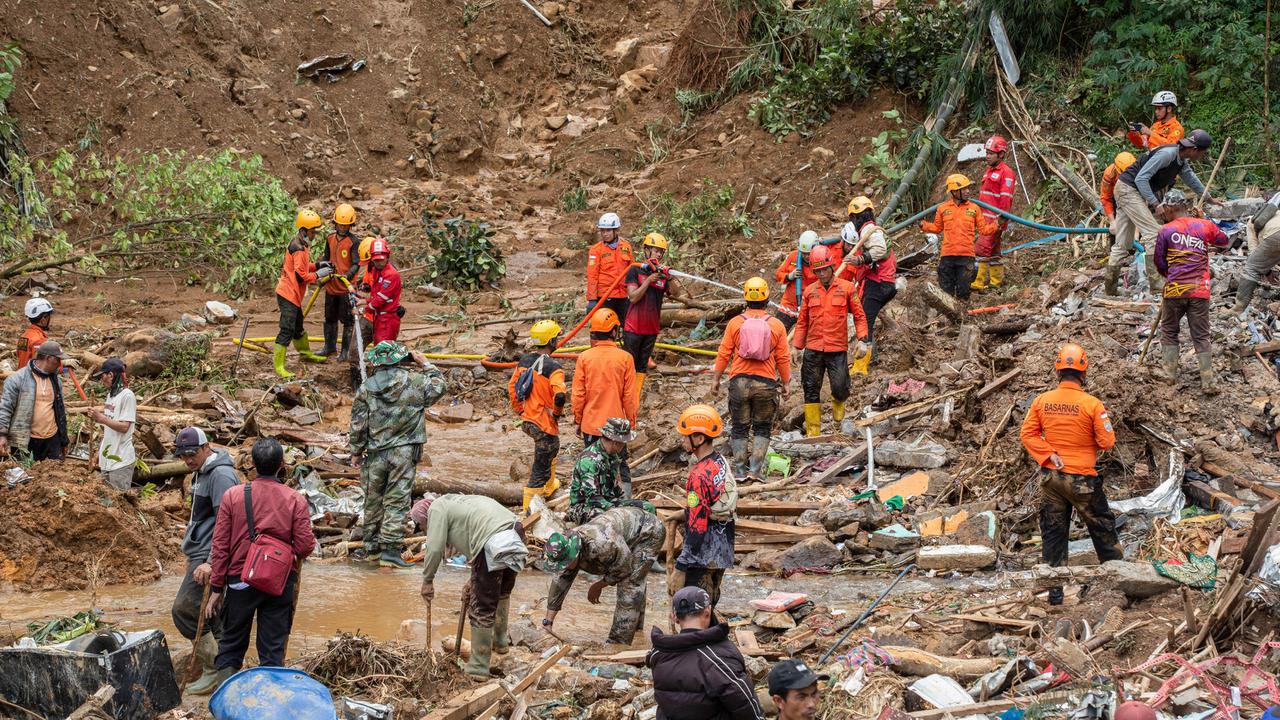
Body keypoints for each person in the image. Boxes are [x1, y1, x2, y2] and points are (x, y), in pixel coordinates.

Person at [206, 438, 316, 690]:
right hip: (278, 582)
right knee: (273, 648)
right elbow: (304, 546)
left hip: (239, 581)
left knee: (231, 643)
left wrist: (215, 589)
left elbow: (220, 545)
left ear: (253, 464)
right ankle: (270, 702)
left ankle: (226, 701)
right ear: (282, 465)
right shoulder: (295, 500)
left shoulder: (233, 496)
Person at [1019, 343, 1121, 606]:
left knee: (1053, 532)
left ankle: (1055, 595)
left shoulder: (1042, 401)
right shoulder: (1092, 404)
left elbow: (1027, 434)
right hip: (1082, 479)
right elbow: (1107, 441)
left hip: (1052, 477)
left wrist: (1047, 453)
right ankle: (1118, 582)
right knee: (1101, 527)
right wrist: (1086, 445)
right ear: (1083, 372)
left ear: (1058, 371)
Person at [350, 340, 446, 567]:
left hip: (375, 452)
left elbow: (358, 423)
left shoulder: (367, 387)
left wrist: (356, 451)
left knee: (373, 499)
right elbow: (440, 386)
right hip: (403, 452)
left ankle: (371, 548)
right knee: (396, 500)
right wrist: (426, 364)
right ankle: (390, 552)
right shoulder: (415, 382)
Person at [418, 493, 528, 678]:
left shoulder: (436, 509)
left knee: (482, 606)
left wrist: (427, 581)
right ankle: (500, 643)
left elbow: (434, 548)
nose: (422, 529)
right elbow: (478, 553)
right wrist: (473, 580)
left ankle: (478, 666)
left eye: (420, 526)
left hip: (494, 541)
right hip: (516, 532)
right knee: (500, 593)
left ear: (424, 518)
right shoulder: (456, 502)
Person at [1106, 128, 1218, 296]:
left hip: (1128, 189)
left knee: (1123, 244)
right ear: (1194, 150)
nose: (1201, 157)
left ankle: (1110, 290)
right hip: (1128, 190)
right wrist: (1155, 203)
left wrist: (1209, 198)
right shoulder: (1167, 155)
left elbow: (1191, 178)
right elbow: (1141, 178)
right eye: (1202, 153)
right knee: (1153, 234)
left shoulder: (1181, 160)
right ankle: (1157, 287)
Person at [171, 426, 240, 696]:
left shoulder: (221, 475)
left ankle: (212, 668)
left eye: (191, 454)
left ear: (205, 447)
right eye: (183, 455)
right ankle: (225, 675)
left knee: (184, 609)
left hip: (209, 554)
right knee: (213, 615)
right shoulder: (201, 472)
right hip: (200, 551)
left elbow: (229, 522)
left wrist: (212, 561)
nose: (187, 460)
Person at [543, 505, 665, 645]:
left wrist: (600, 585)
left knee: (630, 583)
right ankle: (637, 630)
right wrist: (548, 622)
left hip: (649, 531)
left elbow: (625, 568)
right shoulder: (566, 544)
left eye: (566, 563)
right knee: (633, 581)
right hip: (624, 529)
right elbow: (559, 583)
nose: (564, 567)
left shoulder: (603, 544)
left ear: (575, 552)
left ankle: (618, 644)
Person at [710, 277, 790, 478]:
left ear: (746, 298)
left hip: (739, 382)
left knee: (739, 427)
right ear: (767, 299)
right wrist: (786, 383)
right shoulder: (777, 325)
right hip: (765, 382)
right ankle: (754, 471)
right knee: (762, 427)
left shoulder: (735, 323)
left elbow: (724, 353)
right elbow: (783, 357)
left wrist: (716, 379)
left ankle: (739, 471)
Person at [646, 586, 764, 720]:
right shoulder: (718, 657)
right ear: (708, 612)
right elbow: (746, 706)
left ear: (674, 617)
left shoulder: (658, 653)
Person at [1152, 190, 1229, 392]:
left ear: (1169, 208)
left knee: (1169, 331)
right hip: (1199, 291)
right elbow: (1223, 240)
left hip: (1175, 289)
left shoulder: (1166, 230)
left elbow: (1159, 261)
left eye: (1164, 210)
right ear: (1185, 207)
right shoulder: (1203, 226)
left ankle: (1169, 375)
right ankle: (1208, 381)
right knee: (1201, 335)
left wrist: (1169, 275)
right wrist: (1206, 219)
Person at [791, 246, 868, 437]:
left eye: (825, 269)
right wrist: (796, 348)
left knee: (840, 387)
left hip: (836, 348)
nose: (822, 274)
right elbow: (802, 322)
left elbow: (859, 315)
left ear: (832, 267)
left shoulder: (847, 288)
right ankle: (813, 433)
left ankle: (838, 421)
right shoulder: (809, 292)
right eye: (818, 271)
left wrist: (863, 340)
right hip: (814, 349)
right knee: (810, 388)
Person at [623, 232, 703, 401]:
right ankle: (623, 397)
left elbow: (675, 293)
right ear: (646, 250)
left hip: (651, 329)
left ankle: (635, 400)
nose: (658, 254)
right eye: (655, 250)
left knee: (642, 366)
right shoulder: (635, 270)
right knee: (628, 365)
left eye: (661, 252)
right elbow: (633, 297)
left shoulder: (661, 275)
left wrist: (669, 277)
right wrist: (648, 281)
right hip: (633, 328)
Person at [673, 404, 734, 609]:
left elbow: (697, 527)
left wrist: (681, 566)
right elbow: (710, 504)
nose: (682, 440)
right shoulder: (720, 462)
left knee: (693, 612)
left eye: (685, 436)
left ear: (698, 439)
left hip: (703, 555)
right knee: (708, 606)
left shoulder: (698, 475)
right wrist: (684, 514)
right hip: (722, 550)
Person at [572, 308, 638, 493]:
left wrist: (578, 419)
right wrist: (631, 423)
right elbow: (630, 398)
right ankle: (624, 505)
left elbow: (578, 395)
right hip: (616, 427)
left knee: (593, 466)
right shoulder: (625, 358)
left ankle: (596, 504)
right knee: (620, 465)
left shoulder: (584, 358)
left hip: (591, 425)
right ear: (614, 331)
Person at [508, 320, 568, 510]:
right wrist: (557, 414)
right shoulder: (554, 368)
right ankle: (527, 512)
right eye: (556, 337)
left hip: (528, 420)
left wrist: (520, 410)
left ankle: (549, 486)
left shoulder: (524, 361)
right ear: (551, 340)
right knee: (540, 467)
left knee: (552, 448)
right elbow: (560, 394)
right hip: (543, 423)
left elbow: (512, 387)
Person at [837, 196, 896, 367]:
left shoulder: (868, 230)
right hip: (885, 280)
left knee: (864, 323)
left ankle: (862, 366)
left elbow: (880, 249)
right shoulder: (873, 229)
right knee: (866, 320)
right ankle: (868, 360)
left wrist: (860, 259)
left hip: (879, 282)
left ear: (855, 217)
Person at [921, 174, 998, 301]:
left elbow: (984, 230)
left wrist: (997, 224)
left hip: (966, 257)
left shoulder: (974, 208)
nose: (968, 191)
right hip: (947, 256)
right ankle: (947, 318)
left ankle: (962, 316)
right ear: (955, 191)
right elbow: (937, 228)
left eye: (968, 188)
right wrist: (923, 225)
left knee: (963, 291)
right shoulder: (943, 208)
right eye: (964, 188)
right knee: (946, 293)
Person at [274, 208, 331, 378]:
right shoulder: (298, 247)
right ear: (304, 230)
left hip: (294, 295)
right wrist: (319, 274)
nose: (314, 235)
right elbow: (301, 275)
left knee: (298, 327)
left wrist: (319, 265)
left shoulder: (302, 244)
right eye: (313, 231)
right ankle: (279, 366)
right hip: (288, 294)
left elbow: (303, 267)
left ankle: (305, 353)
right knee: (287, 329)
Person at [0, 340, 70, 461]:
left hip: (52, 440)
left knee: (55, 475)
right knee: (27, 476)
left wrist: (63, 440)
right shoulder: (17, 379)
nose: (60, 363)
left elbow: (60, 411)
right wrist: (2, 435)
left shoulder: (56, 381)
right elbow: (6, 408)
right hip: (25, 440)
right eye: (58, 359)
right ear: (48, 358)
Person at [566, 418, 634, 524]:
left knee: (646, 507)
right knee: (612, 519)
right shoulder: (588, 461)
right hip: (584, 507)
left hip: (607, 502)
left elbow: (616, 490)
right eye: (624, 442)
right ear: (616, 443)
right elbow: (592, 498)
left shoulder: (612, 456)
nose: (625, 445)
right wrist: (617, 510)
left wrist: (626, 504)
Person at [971, 135, 1017, 291]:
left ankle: (978, 283)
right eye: (987, 152)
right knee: (994, 252)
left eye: (991, 153)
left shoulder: (1007, 173)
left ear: (1001, 154)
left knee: (981, 249)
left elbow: (1006, 199)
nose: (987, 156)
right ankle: (995, 283)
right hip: (984, 219)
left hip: (994, 221)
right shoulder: (989, 170)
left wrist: (1001, 220)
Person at [86, 358, 136, 491]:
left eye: (103, 376)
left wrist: (101, 418)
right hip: (107, 460)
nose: (102, 380)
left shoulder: (127, 396)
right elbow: (109, 430)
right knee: (106, 504)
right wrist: (99, 453)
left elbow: (125, 427)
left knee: (118, 504)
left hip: (121, 461)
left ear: (111, 375)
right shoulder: (110, 396)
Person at [774, 231, 839, 330]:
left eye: (808, 254)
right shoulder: (793, 257)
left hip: (812, 305)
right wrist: (789, 276)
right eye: (803, 254)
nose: (806, 256)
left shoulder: (822, 258)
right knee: (777, 330)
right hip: (789, 305)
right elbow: (778, 274)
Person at [321, 203, 358, 359]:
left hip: (345, 288)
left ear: (350, 225)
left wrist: (348, 276)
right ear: (335, 223)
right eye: (340, 225)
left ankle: (345, 352)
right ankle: (329, 347)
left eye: (346, 225)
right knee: (330, 318)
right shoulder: (330, 238)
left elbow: (356, 263)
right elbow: (326, 257)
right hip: (331, 286)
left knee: (348, 321)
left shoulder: (354, 241)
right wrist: (321, 273)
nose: (342, 228)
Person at [586, 212, 635, 327]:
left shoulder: (626, 247)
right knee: (604, 328)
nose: (605, 234)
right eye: (602, 231)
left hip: (623, 296)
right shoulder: (596, 250)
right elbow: (592, 276)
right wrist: (592, 300)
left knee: (628, 327)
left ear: (616, 231)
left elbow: (631, 270)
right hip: (605, 297)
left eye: (608, 230)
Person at [1235, 194, 1280, 313]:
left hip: (1276, 233)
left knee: (1251, 268)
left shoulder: (1251, 224)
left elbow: (1255, 255)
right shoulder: (1276, 215)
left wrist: (1265, 270)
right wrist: (1268, 270)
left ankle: (1238, 309)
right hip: (1275, 234)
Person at [347, 236, 378, 390]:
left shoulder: (386, 274)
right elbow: (367, 288)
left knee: (382, 357)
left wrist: (361, 305)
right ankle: (357, 389)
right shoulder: (370, 269)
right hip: (367, 317)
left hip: (381, 319)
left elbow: (380, 299)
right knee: (353, 353)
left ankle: (379, 388)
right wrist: (358, 290)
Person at [367, 238, 404, 343]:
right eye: (376, 260)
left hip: (388, 319)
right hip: (379, 317)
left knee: (384, 350)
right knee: (379, 348)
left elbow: (381, 299)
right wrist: (365, 301)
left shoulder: (391, 275)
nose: (378, 263)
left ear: (387, 257)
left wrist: (363, 310)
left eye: (381, 260)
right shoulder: (377, 271)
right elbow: (376, 295)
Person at [1100, 152, 1138, 230]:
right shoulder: (1109, 174)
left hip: (1135, 197)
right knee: (1116, 228)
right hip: (1117, 198)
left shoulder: (1138, 171)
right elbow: (1106, 198)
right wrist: (1112, 221)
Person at [17, 297, 53, 370]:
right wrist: (62, 365)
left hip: (21, 376)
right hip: (32, 379)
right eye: (49, 316)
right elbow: (42, 366)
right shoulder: (39, 340)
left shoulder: (24, 336)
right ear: (43, 319)